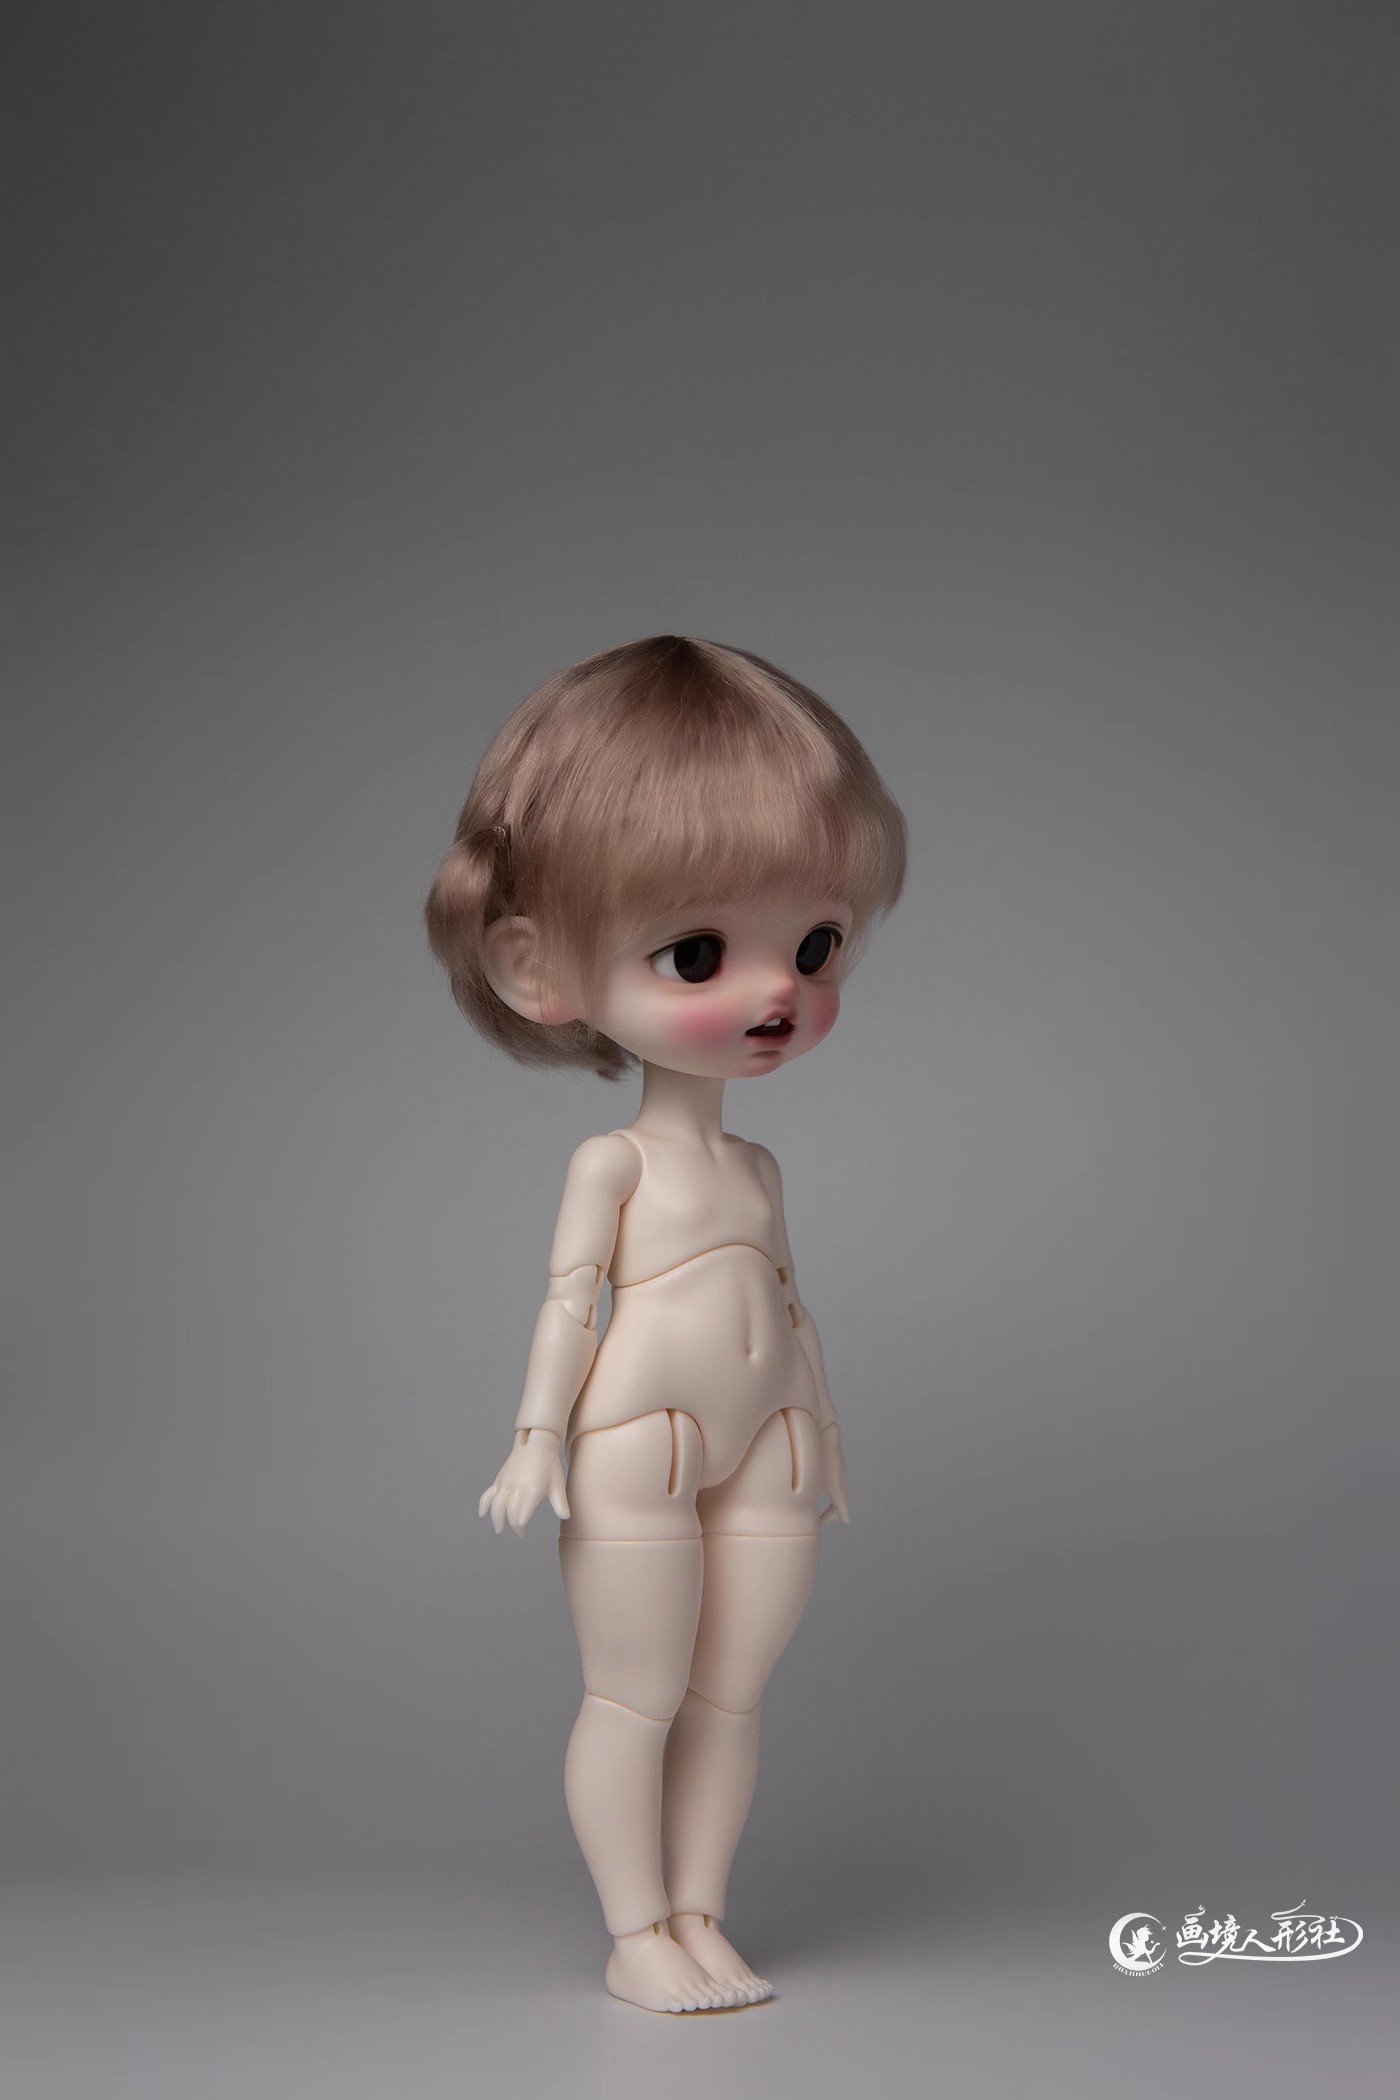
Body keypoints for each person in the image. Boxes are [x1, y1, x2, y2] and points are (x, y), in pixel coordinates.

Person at [423, 634, 906, 2013]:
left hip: (770, 1445)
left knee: (730, 1696)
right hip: (644, 1437)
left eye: (814, 945)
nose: (777, 991)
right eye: (698, 952)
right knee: (634, 1697)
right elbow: (571, 1301)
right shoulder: (613, 1164)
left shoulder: (758, 1168)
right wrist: (535, 1438)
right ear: (535, 968)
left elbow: (790, 1307)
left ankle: (700, 1913)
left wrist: (825, 1432)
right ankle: (637, 1930)